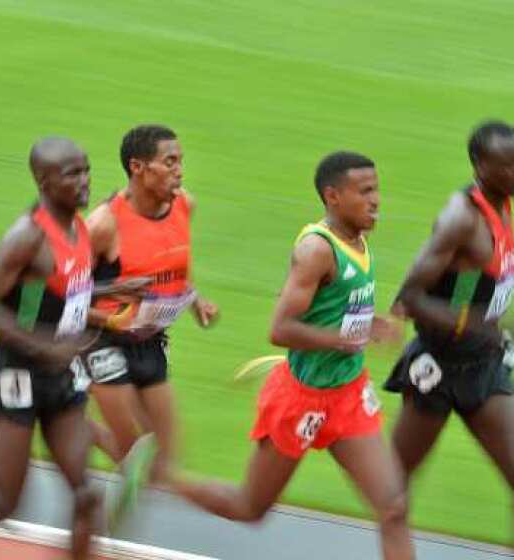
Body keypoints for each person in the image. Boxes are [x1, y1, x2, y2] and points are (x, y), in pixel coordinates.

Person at [169, 151, 415, 560]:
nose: (376, 200)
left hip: (348, 394)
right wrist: (343, 338)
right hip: (301, 398)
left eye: (377, 190)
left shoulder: (358, 238)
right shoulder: (316, 250)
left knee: (393, 507)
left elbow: (334, 308)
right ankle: (165, 479)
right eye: (365, 191)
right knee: (249, 507)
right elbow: (279, 329)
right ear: (332, 196)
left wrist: (368, 324)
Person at [0, 136, 100, 559]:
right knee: (4, 505)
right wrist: (43, 346)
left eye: (86, 169)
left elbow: (63, 294)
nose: (84, 181)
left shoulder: (80, 227)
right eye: (72, 173)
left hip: (61, 375)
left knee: (87, 494)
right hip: (17, 373)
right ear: (44, 181)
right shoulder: (27, 237)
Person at [386, 121, 514, 543]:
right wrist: (475, 325)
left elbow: (486, 282)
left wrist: (491, 327)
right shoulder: (460, 219)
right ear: (480, 165)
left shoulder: (504, 202)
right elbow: (411, 297)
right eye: (508, 166)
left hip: (483, 367)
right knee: (393, 492)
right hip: (438, 372)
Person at [83, 124, 218, 482]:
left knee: (165, 464)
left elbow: (166, 266)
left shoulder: (184, 205)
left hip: (151, 342)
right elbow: (60, 292)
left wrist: (193, 298)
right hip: (102, 342)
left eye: (180, 162)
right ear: (137, 167)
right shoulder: (103, 225)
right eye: (169, 162)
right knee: (131, 453)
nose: (179, 171)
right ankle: (72, 421)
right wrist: (110, 316)